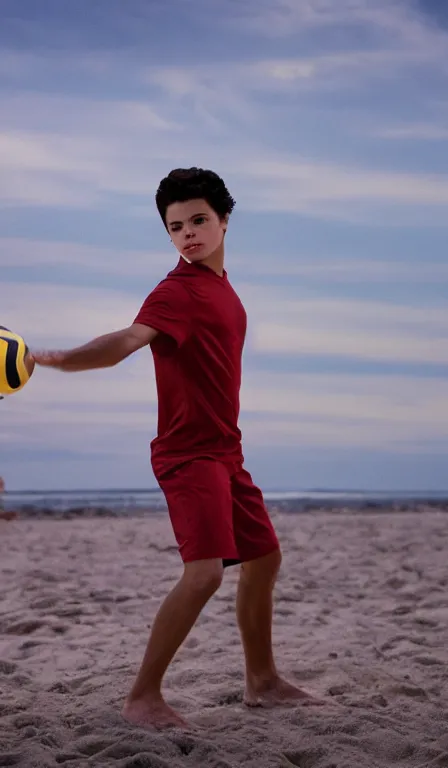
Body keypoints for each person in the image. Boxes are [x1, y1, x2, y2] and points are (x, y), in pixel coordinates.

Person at [32, 168, 315, 730]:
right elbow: (125, 341)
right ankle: (142, 696)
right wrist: (63, 357)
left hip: (226, 452)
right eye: (176, 226)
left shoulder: (225, 292)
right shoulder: (175, 292)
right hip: (188, 455)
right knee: (205, 573)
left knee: (264, 558)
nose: (188, 233)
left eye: (198, 221)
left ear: (224, 220)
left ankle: (261, 681)